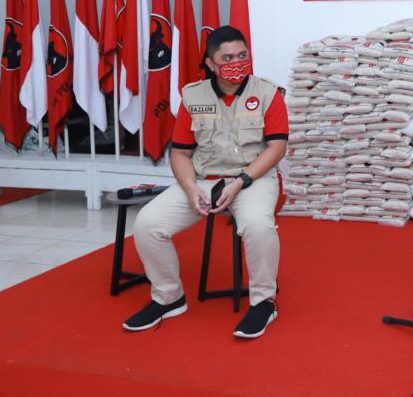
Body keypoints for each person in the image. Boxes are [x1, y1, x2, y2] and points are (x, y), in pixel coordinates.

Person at [123, 26, 289, 339]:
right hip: (203, 179)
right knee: (148, 224)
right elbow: (180, 153)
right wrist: (190, 189)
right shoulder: (193, 96)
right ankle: (169, 297)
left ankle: (264, 302)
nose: (237, 63)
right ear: (211, 63)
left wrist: (240, 181)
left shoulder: (267, 93)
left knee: (258, 225)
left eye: (242, 55)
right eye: (227, 58)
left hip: (251, 178)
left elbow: (277, 148)